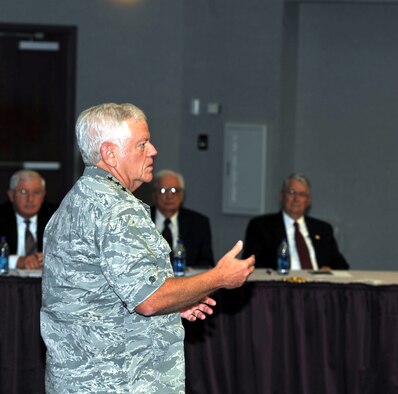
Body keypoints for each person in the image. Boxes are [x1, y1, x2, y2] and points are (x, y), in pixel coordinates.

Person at [40, 103, 255, 393]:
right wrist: (219, 278)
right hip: (119, 382)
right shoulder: (117, 210)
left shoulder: (73, 202)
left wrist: (174, 305)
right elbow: (148, 299)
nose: (153, 150)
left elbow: (95, 297)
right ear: (110, 154)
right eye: (142, 144)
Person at [243, 173, 349, 270]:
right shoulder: (261, 227)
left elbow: (342, 266)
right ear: (281, 196)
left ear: (308, 201)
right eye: (291, 192)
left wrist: (330, 270)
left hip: (318, 287)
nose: (296, 199)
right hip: (279, 287)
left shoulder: (323, 229)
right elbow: (251, 264)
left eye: (302, 194)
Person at [151, 169, 214, 267]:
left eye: (174, 191)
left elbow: (207, 264)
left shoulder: (199, 223)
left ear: (182, 196)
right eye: (163, 191)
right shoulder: (140, 219)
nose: (169, 196)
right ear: (154, 195)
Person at [0, 169, 57, 270]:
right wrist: (17, 261)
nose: (30, 199)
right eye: (23, 192)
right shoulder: (2, 216)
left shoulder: (57, 217)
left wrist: (52, 258)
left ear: (44, 195)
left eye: (37, 192)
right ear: (11, 195)